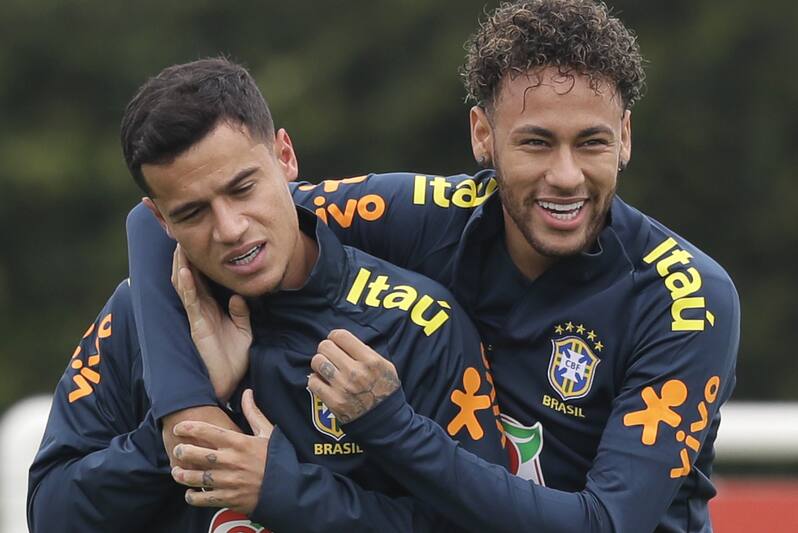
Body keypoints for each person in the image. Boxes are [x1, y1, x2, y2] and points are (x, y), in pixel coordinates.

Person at [125, 1, 740, 531]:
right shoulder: (426, 215)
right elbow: (163, 224)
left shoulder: (686, 298)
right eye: (535, 142)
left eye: (592, 142)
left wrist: (390, 426)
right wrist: (191, 406)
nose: (565, 176)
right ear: (482, 134)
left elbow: (604, 525)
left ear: (626, 138)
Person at [28, 58, 507, 532]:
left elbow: (475, 524)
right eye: (193, 213)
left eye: (242, 188)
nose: (230, 229)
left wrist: (280, 488)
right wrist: (177, 427)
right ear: (161, 220)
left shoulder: (420, 321)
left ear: (285, 157)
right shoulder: (137, 319)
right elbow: (51, 512)